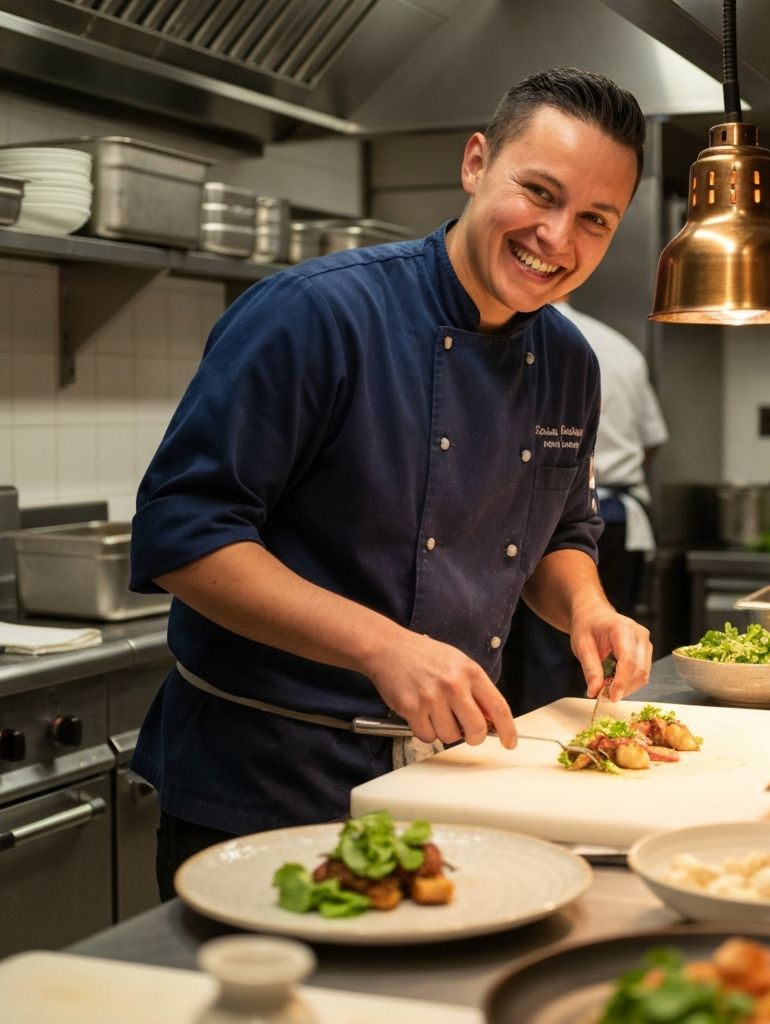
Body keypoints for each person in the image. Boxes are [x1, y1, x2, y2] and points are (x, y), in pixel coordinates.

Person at [127, 67, 653, 898]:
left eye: (594, 219)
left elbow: (560, 534)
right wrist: (384, 648)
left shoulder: (568, 364)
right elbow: (182, 534)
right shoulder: (317, 315)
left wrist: (588, 607)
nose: (558, 237)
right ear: (477, 162)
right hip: (264, 784)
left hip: (442, 779)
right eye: (539, 193)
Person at [502, 298, 668, 714]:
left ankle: (583, 731)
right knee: (603, 648)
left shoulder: (570, 349)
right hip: (620, 512)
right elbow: (652, 439)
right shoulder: (622, 347)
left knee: (571, 641)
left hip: (577, 513)